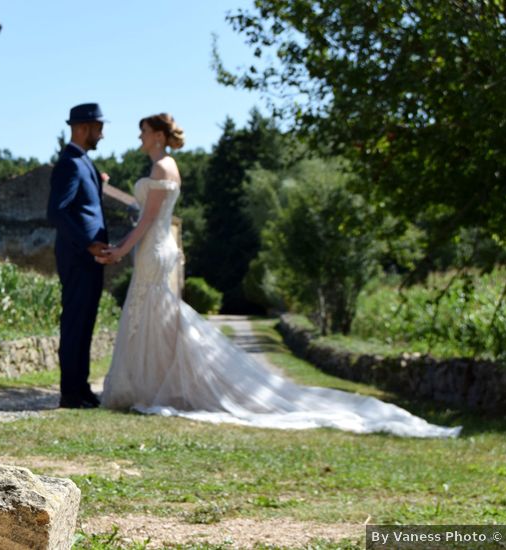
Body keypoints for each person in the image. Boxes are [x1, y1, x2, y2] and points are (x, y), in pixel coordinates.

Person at [98, 113, 460, 438]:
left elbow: (146, 220)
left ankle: (153, 387)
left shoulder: (162, 169)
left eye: (143, 132)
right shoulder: (167, 166)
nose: (140, 138)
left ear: (158, 136)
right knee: (157, 318)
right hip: (159, 248)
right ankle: (157, 385)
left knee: (158, 315)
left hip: (154, 248)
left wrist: (121, 250)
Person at [47, 103, 114, 408]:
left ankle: (81, 387)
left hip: (89, 259)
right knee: (75, 323)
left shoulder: (83, 162)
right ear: (83, 127)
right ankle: (70, 393)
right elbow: (57, 211)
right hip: (77, 257)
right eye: (99, 127)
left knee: (85, 323)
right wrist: (88, 243)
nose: (101, 133)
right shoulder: (69, 163)